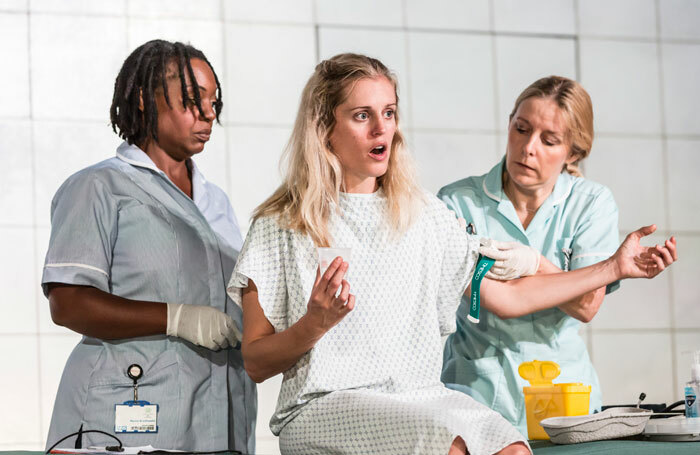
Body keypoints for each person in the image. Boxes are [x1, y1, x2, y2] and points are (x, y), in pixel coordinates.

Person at [226, 54, 675, 455]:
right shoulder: (279, 227)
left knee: (511, 447)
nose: (382, 128)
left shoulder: (424, 215)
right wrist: (315, 324)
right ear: (324, 127)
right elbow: (256, 361)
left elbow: (510, 298)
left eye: (389, 113)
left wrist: (614, 268)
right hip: (323, 405)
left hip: (418, 395)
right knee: (450, 443)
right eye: (362, 115)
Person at [42, 40, 255, 452]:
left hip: (213, 419)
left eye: (214, 101)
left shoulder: (217, 203)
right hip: (123, 414)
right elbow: (67, 303)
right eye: (192, 100)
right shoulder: (99, 187)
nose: (208, 114)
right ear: (144, 99)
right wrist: (175, 318)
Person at [438, 75, 677, 435]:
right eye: (521, 129)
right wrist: (605, 269)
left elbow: (585, 306)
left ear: (574, 153)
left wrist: (536, 263)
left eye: (549, 140)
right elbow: (496, 299)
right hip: (476, 396)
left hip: (566, 402)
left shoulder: (590, 203)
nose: (527, 147)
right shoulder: (456, 203)